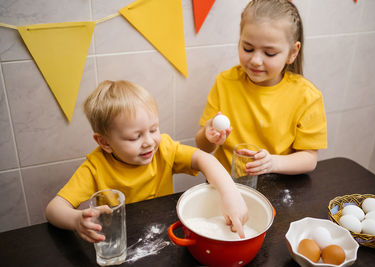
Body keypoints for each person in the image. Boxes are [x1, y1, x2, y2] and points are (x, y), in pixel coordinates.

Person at [46, 80, 248, 243]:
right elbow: (54, 209)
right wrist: (76, 220)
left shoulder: (164, 149)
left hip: (165, 236)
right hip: (123, 244)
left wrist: (230, 193)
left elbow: (204, 159)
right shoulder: (95, 168)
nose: (149, 142)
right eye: (135, 137)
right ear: (104, 142)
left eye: (153, 129)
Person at [196, 0, 327, 176]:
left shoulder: (307, 96)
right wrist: (208, 135)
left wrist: (273, 163)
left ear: (292, 53)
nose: (256, 60)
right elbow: (203, 146)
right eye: (248, 48)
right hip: (226, 183)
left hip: (275, 186)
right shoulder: (225, 82)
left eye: (269, 53)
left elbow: (309, 159)